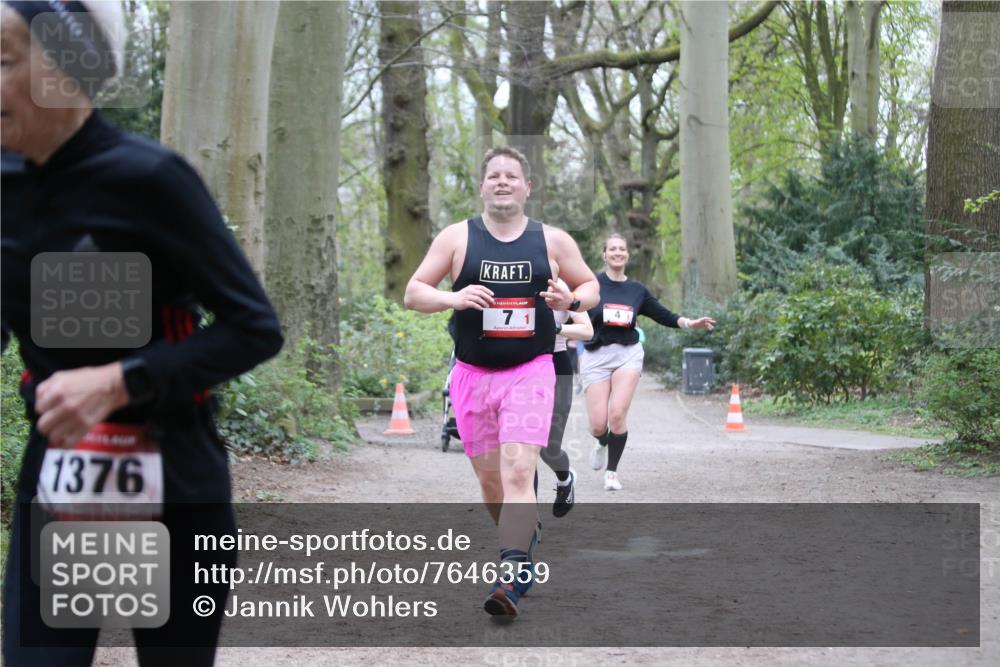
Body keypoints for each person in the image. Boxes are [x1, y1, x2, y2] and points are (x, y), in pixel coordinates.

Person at [1, 2, 283, 664]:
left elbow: (254, 328)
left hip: (173, 486)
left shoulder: (149, 179)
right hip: (61, 483)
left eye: (5, 58)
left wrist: (119, 381)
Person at [404, 146, 599, 618]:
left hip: (529, 371)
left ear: (527, 187)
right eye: (494, 176)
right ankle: (522, 540)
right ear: (482, 186)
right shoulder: (457, 238)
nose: (504, 182)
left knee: (517, 470)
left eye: (513, 175)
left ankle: (509, 577)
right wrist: (454, 298)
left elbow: (591, 289)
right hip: (472, 376)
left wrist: (569, 300)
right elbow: (413, 292)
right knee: (492, 482)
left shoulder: (552, 241)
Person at [582, 233, 714, 491]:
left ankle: (611, 473)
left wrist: (690, 323)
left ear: (627, 255)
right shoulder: (592, 285)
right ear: (604, 255)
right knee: (598, 424)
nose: (618, 252)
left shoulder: (637, 291)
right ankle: (601, 441)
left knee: (617, 414)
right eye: (612, 249)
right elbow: (573, 310)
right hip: (596, 355)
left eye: (622, 249)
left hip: (627, 353)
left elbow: (663, 315)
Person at [541, 278, 593, 518]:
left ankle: (565, 479)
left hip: (555, 364)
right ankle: (524, 518)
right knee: (520, 446)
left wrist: (556, 328)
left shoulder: (558, 285)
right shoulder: (505, 274)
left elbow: (587, 330)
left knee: (549, 448)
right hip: (515, 366)